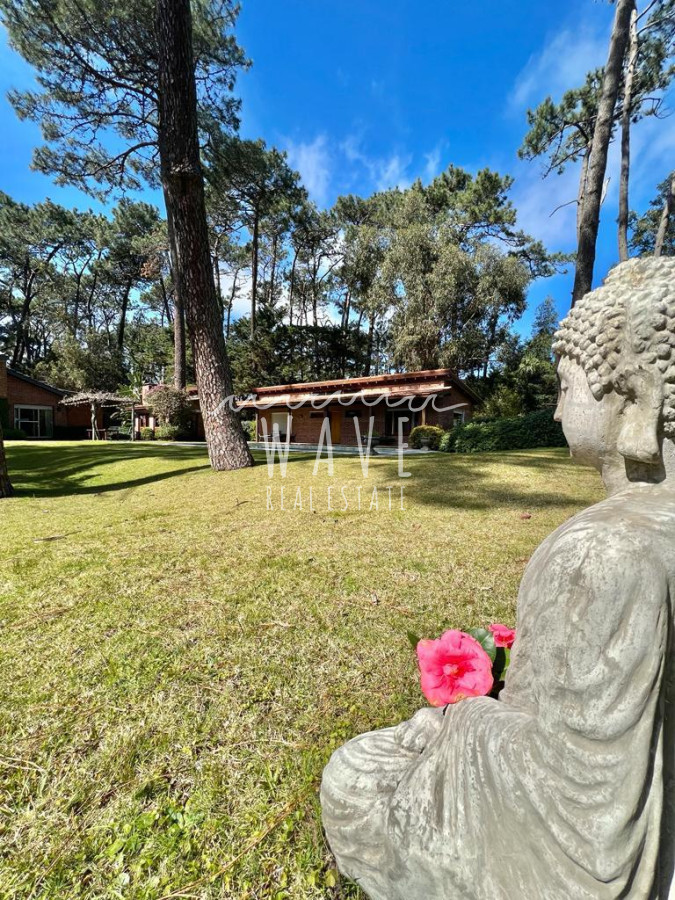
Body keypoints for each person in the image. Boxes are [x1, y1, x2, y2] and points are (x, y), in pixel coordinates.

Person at [320, 257, 675, 900]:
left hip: (560, 846)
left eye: (569, 384)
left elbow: (584, 814)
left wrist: (462, 722)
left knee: (352, 776)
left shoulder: (603, 553)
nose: (559, 402)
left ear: (637, 400)